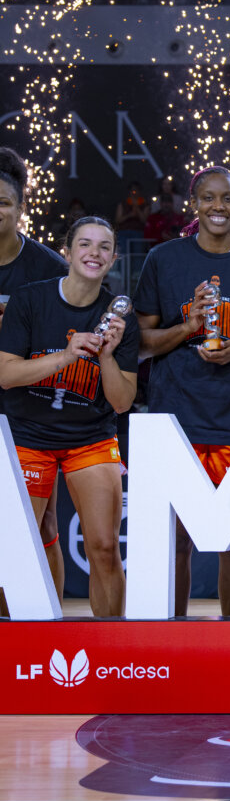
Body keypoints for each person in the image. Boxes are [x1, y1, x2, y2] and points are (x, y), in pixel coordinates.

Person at [134, 166, 230, 617]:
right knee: (174, 538)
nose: (217, 207)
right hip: (174, 415)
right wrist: (187, 328)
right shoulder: (163, 260)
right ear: (193, 203)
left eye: (227, 199)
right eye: (208, 198)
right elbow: (140, 344)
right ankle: (172, 634)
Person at [0, 216, 138, 616]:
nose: (93, 253)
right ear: (67, 252)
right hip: (28, 435)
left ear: (113, 258)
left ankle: (110, 652)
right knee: (23, 547)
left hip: (89, 438)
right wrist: (65, 355)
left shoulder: (118, 318)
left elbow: (122, 402)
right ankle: (32, 640)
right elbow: (6, 375)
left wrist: (107, 357)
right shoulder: (30, 300)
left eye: (103, 247)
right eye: (84, 244)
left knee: (105, 547)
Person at [0, 148, 68, 610]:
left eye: (4, 202)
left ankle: (46, 626)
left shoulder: (48, 268)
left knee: (38, 526)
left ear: (22, 207)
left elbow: (69, 334)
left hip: (30, 409)